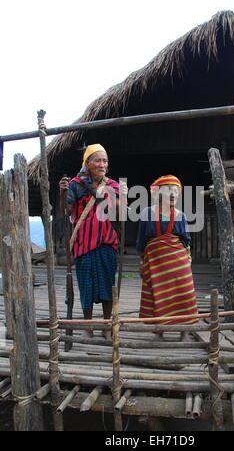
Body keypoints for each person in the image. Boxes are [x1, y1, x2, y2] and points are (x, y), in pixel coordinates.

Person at [59, 143, 126, 339]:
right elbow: (68, 211)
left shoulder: (114, 185)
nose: (102, 164)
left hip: (107, 242)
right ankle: (88, 326)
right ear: (87, 163)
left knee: (107, 283)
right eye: (97, 160)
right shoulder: (75, 184)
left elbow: (121, 212)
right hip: (84, 243)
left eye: (105, 161)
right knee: (86, 285)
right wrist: (63, 193)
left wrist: (118, 196)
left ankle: (106, 326)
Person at [136, 175, 199, 342]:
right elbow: (141, 240)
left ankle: (184, 333)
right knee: (157, 295)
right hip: (155, 262)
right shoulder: (146, 213)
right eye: (169, 190)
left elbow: (186, 241)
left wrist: (186, 260)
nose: (173, 194)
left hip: (178, 264)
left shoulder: (181, 216)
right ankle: (159, 332)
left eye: (176, 191)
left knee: (183, 295)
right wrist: (142, 262)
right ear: (158, 194)